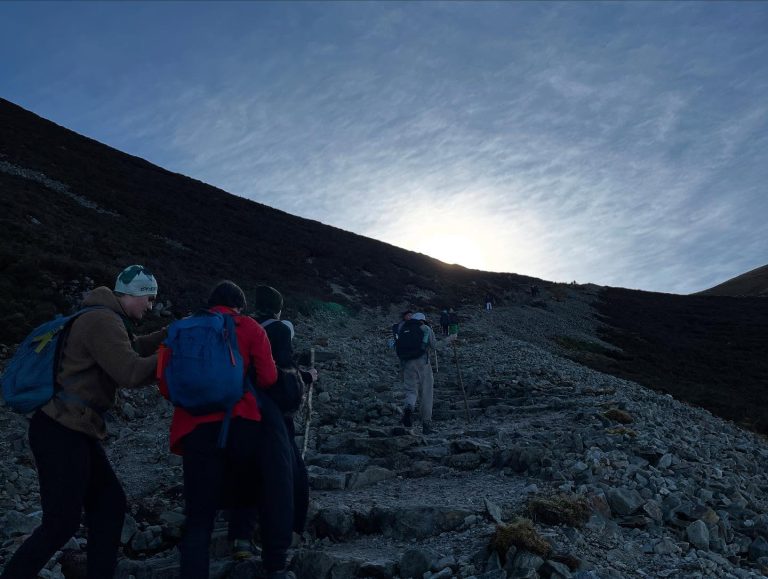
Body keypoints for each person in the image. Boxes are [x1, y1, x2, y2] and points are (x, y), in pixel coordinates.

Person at [0, 265, 166, 579]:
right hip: (62, 430)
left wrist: (169, 335)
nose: (151, 305)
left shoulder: (105, 318)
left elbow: (130, 348)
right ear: (132, 295)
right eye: (149, 298)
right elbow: (129, 372)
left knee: (110, 505)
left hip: (71, 429)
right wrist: (170, 353)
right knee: (60, 524)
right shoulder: (102, 321)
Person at [159, 281, 294, 579]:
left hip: (192, 429)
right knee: (257, 487)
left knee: (198, 520)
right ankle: (259, 552)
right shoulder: (248, 327)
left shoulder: (182, 328)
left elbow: (166, 383)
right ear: (239, 305)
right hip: (241, 423)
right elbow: (269, 377)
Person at [228, 285, 316, 561]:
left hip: (239, 411)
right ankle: (286, 537)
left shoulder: (243, 326)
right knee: (290, 474)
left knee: (248, 472)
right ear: (278, 307)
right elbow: (280, 373)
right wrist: (307, 377)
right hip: (271, 415)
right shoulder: (278, 330)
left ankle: (241, 537)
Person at [399, 312, 437, 435]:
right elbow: (434, 345)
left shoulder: (403, 327)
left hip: (407, 363)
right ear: (423, 320)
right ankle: (426, 424)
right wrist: (450, 339)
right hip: (423, 363)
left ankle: (409, 407)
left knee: (411, 390)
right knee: (426, 392)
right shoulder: (426, 328)